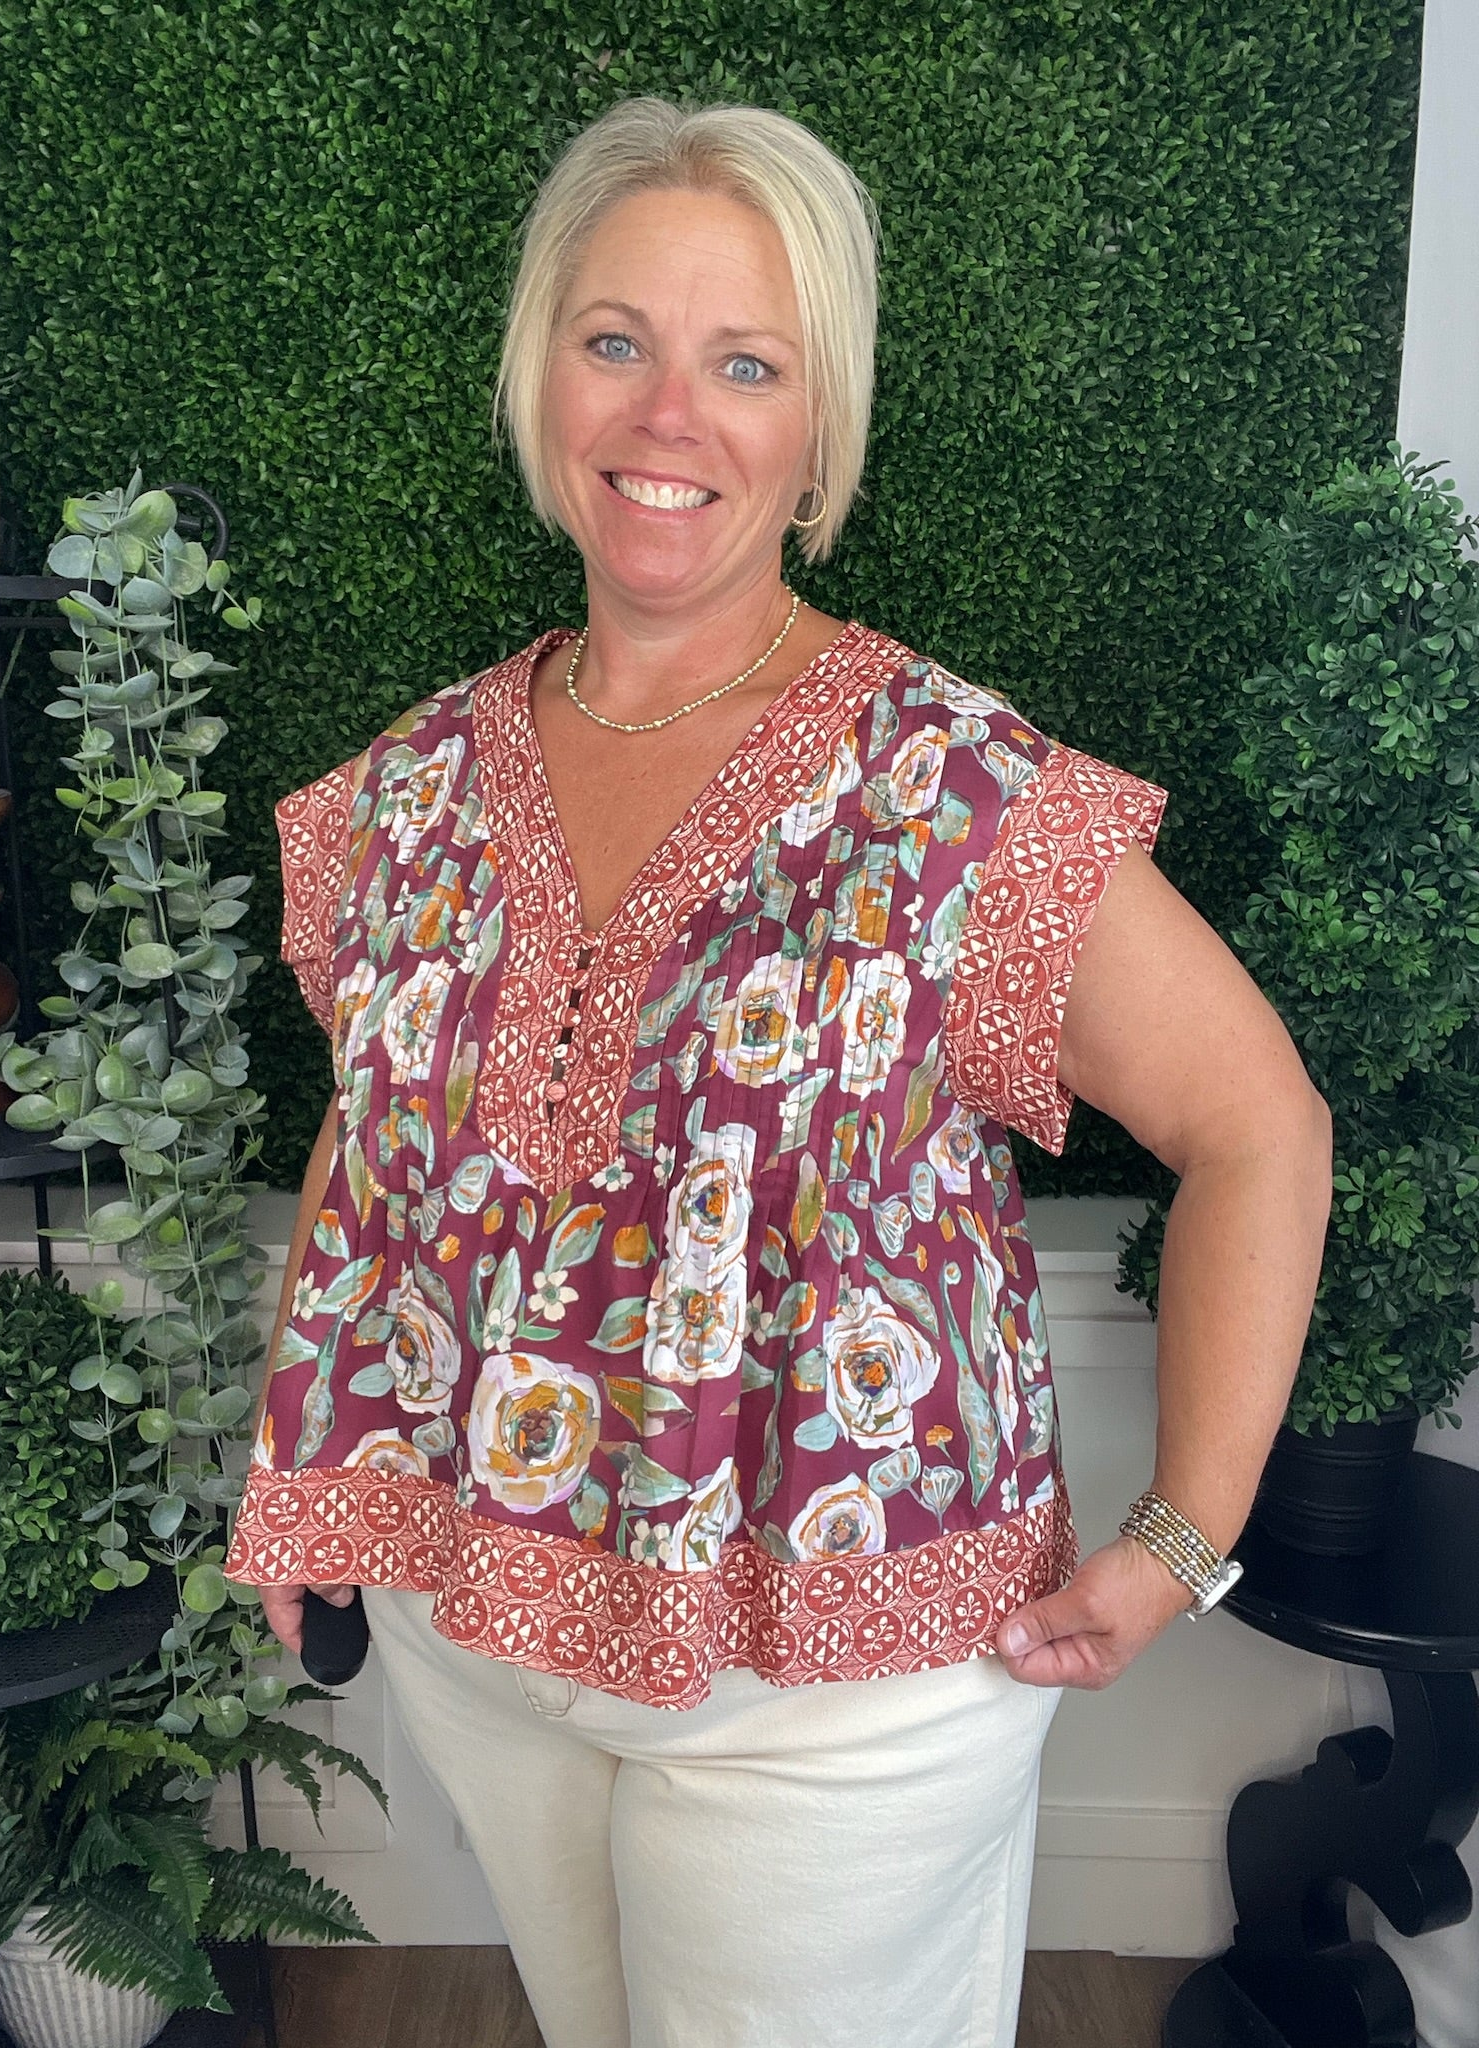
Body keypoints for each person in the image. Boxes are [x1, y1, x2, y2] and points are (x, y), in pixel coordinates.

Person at [225, 95, 1334, 2048]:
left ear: (819, 433)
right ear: (542, 375)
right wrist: (312, 1470)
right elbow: (373, 1130)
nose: (670, 413)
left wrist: (1183, 1534)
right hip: (484, 1629)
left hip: (841, 1688)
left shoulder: (951, 789)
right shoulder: (406, 790)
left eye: (747, 363)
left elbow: (1259, 1124)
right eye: (617, 340)